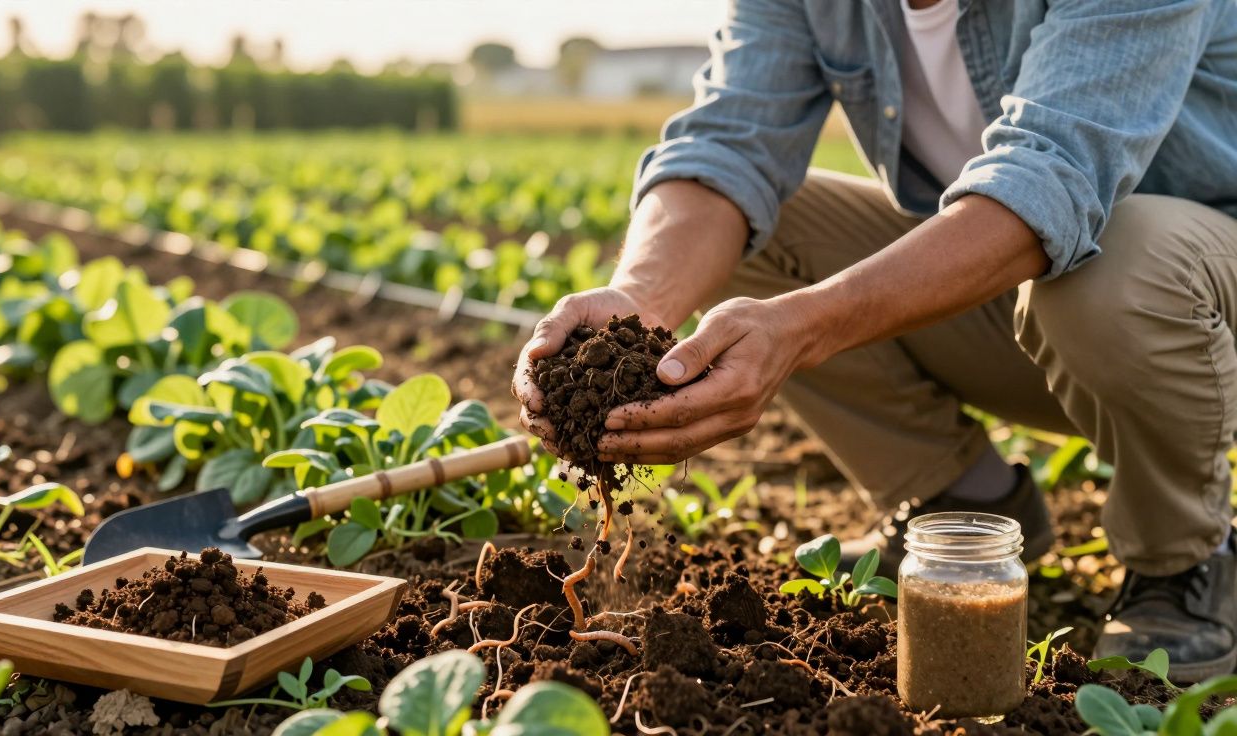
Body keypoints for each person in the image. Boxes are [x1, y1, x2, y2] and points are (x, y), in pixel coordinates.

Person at [512, 0, 1237, 683]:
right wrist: (640, 310)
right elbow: (728, 144)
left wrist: (805, 326)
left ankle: (1185, 559)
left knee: (1118, 266)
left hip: (1192, 315)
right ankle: (959, 498)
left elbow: (1051, 177)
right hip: (1039, 302)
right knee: (759, 231)